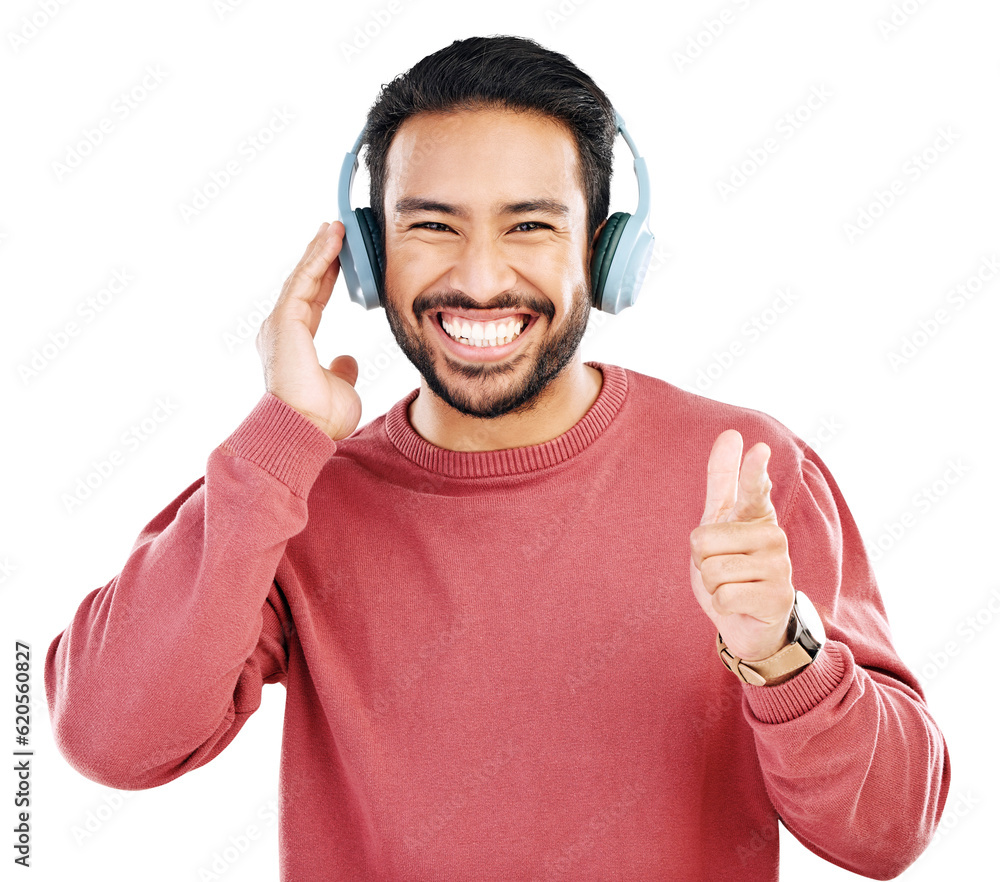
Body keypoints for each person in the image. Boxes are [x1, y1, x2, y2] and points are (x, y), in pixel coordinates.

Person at [45, 35, 949, 881]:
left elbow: (888, 832)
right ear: (368, 255)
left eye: (529, 227)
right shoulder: (295, 495)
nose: (480, 280)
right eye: (433, 226)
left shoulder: (746, 474)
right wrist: (281, 437)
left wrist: (781, 655)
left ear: (604, 250)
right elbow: (109, 739)